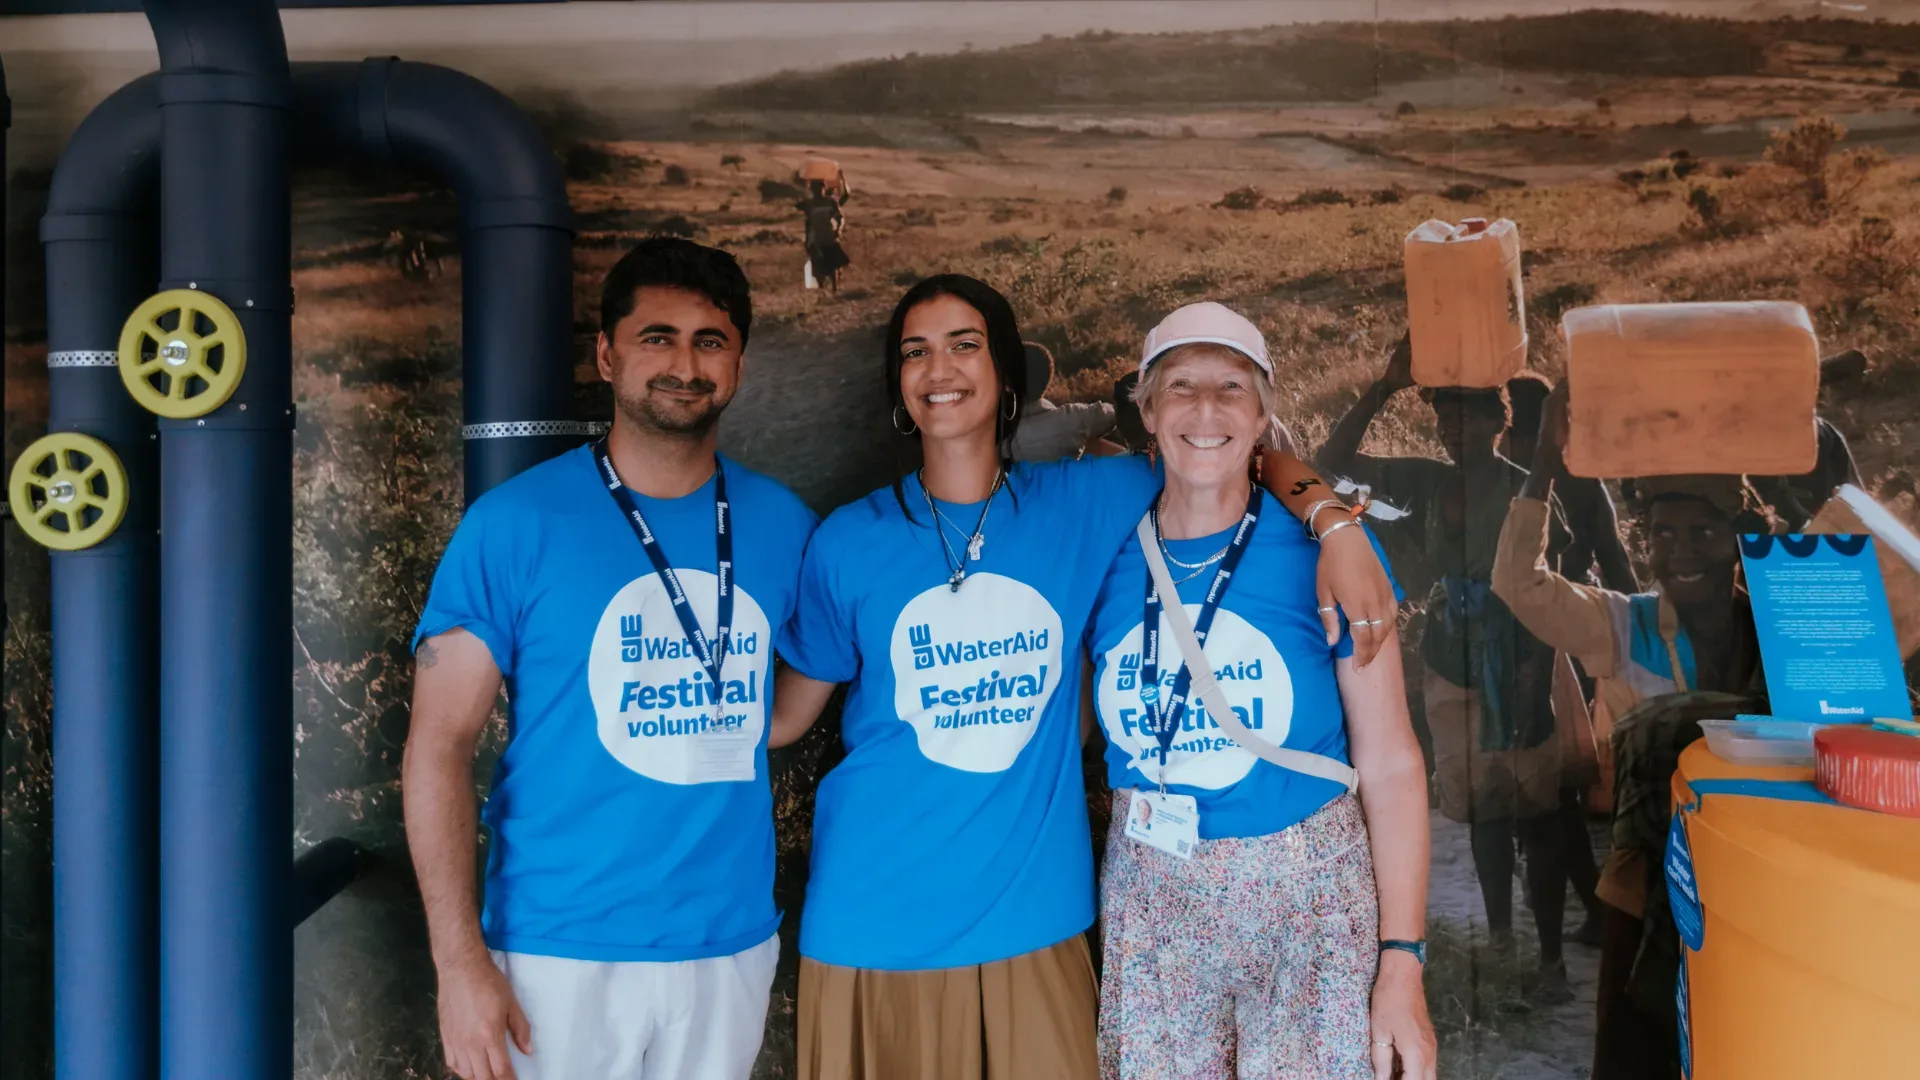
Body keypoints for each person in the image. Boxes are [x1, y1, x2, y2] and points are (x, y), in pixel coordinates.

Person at [765, 284, 1398, 1080]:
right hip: (873, 914)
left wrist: (1332, 523)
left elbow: (1228, 443)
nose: (940, 368)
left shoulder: (1087, 500)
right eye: (915, 351)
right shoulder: (847, 541)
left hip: (1035, 919)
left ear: (1005, 375)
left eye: (965, 344)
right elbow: (786, 718)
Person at [403, 237, 818, 1080]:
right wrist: (459, 965)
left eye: (711, 340)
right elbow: (439, 744)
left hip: (726, 945)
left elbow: (770, 710)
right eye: (656, 336)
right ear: (606, 355)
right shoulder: (515, 524)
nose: (684, 363)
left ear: (738, 361)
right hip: (558, 950)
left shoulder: (783, 525)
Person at [1087, 308, 1435, 1080]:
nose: (1206, 409)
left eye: (1232, 388)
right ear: (1146, 410)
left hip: (1309, 905)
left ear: (1263, 414)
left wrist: (1402, 963)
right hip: (1153, 904)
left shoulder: (1326, 549)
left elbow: (1392, 762)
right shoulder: (1101, 541)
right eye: (1181, 387)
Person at [1491, 387, 1774, 1080]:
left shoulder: (1783, 628)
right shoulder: (1623, 625)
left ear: (1737, 539)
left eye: (1703, 534)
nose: (1681, 553)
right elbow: (1516, 584)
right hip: (1642, 891)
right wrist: (1542, 467)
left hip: (1752, 886)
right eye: (1663, 535)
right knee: (1636, 1057)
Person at [1318, 333, 1576, 999]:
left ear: (1500, 422)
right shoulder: (1424, 482)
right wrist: (1385, 384)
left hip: (1521, 658)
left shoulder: (1528, 491)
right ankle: (1501, 944)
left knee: (1540, 815)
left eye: (1471, 416)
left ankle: (1550, 960)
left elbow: (1555, 584)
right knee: (1484, 813)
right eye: (1445, 417)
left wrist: (1536, 671)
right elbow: (1330, 463)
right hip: (1451, 663)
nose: (1456, 428)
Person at [1503, 372, 1624, 945]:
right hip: (1563, 638)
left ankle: (1599, 909)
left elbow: (1611, 562)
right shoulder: (1562, 476)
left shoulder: (1561, 477)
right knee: (1559, 800)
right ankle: (1597, 906)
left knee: (1557, 799)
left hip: (1566, 640)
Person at [1007, 341, 1123, 461]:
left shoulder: (997, 434)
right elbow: (1110, 414)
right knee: (1090, 441)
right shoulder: (1073, 420)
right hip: (1067, 475)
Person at [796, 179, 850, 294]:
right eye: (815, 188)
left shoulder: (830, 202)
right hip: (815, 238)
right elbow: (807, 222)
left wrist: (838, 230)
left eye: (819, 188)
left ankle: (834, 289)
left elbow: (840, 217)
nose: (817, 191)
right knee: (818, 265)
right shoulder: (809, 204)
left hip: (828, 235)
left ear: (824, 188)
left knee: (833, 264)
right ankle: (822, 289)